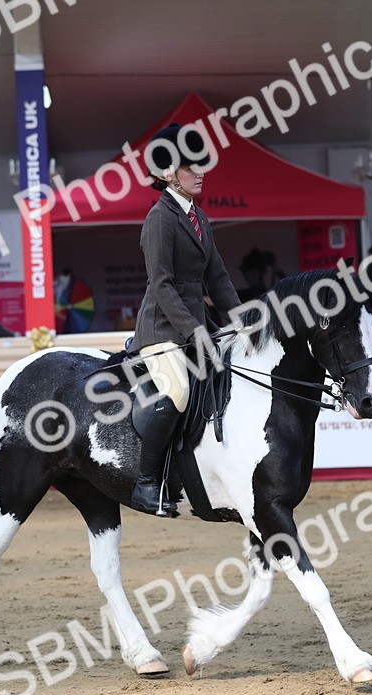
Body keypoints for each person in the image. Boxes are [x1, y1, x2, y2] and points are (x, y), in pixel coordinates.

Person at [131, 123, 242, 516]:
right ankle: (146, 484)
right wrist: (194, 330)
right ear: (166, 173)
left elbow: (219, 279)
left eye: (201, 164)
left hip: (199, 328)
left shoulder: (200, 218)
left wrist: (243, 323)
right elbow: (160, 285)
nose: (201, 171)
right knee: (177, 391)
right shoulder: (159, 219)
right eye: (190, 166)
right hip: (162, 328)